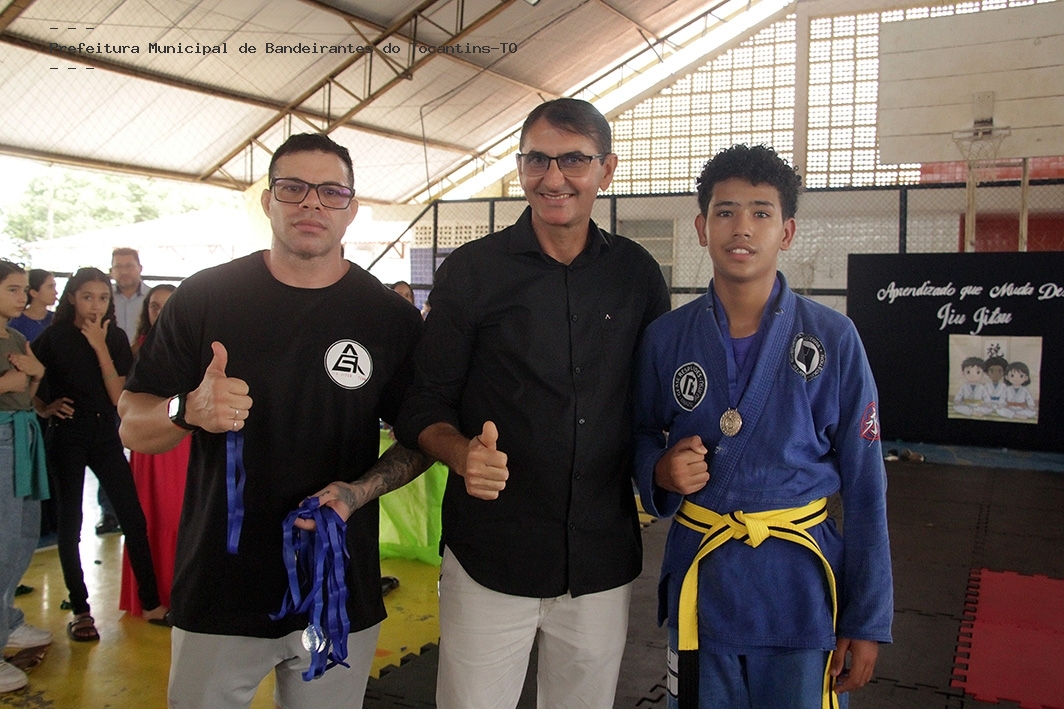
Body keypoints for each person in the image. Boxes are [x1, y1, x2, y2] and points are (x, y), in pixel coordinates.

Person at [117, 132, 429, 709]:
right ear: (268, 201)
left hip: (336, 589)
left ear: (351, 208)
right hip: (220, 586)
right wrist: (188, 410)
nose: (312, 203)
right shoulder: (206, 297)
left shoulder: (389, 318)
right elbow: (132, 423)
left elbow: (421, 439)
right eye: (293, 188)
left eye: (331, 192)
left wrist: (358, 493)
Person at [395, 98, 671, 709]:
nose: (553, 177)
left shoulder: (636, 274)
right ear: (520, 167)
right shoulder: (472, 272)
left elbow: (656, 405)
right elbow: (422, 403)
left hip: (600, 556)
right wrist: (462, 454)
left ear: (606, 169)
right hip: (491, 552)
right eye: (537, 160)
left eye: (574, 160)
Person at [632, 144, 893, 709]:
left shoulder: (834, 338)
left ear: (787, 231)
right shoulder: (667, 338)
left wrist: (867, 617)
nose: (742, 228)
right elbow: (641, 433)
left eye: (761, 212)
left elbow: (867, 486)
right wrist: (659, 469)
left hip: (799, 592)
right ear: (701, 228)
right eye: (725, 212)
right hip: (705, 588)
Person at [30, 267, 168, 642]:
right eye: (87, 297)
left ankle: (152, 602)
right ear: (72, 298)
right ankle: (81, 610)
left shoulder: (116, 337)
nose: (95, 306)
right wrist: (44, 407)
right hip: (68, 434)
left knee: (132, 518)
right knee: (70, 524)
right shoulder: (54, 336)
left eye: (103, 298)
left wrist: (100, 346)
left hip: (106, 433)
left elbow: (118, 397)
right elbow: (30, 377)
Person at [0, 260, 52, 694]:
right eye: (14, 290)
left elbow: (29, 390)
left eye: (24, 289)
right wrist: (12, 380)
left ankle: (7, 620)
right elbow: (14, 385)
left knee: (21, 535)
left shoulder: (16, 337)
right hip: (3, 435)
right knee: (2, 538)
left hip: (23, 434)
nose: (24, 297)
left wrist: (33, 376)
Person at [120, 284, 185, 618]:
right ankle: (152, 595)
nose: (160, 312)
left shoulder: (192, 346)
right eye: (154, 306)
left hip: (183, 441)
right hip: (148, 444)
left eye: (167, 306)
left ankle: (180, 592)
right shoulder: (137, 350)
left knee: (179, 513)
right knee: (151, 515)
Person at [8, 269, 57, 343]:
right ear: (33, 293)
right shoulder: (15, 322)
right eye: (50, 287)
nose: (55, 292)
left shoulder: (56, 319)